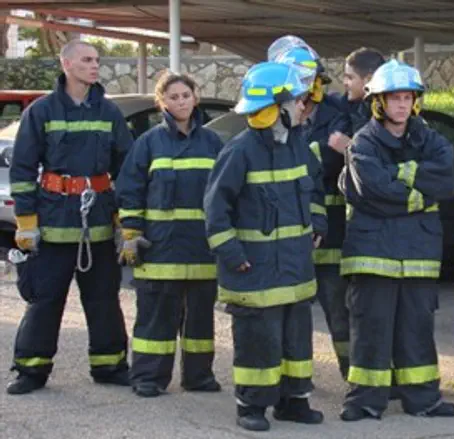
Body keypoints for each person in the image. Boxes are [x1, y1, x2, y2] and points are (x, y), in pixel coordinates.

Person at [204, 61, 327, 432]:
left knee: (295, 340)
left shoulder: (298, 146)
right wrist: (232, 255)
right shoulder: (239, 152)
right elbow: (214, 210)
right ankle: (251, 406)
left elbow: (316, 189)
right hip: (253, 269)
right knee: (259, 341)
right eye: (296, 102)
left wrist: (318, 222)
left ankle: (294, 401)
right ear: (278, 108)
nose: (302, 108)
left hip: (294, 267)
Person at [7, 40, 133, 395]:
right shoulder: (42, 111)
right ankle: (31, 370)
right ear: (66, 64)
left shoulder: (108, 113)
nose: (95, 66)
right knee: (45, 300)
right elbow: (22, 169)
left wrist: (126, 220)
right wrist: (26, 222)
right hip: (53, 223)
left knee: (104, 299)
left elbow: (128, 168)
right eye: (87, 60)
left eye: (97, 60)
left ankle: (110, 365)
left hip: (98, 224)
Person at [338, 59, 454, 422]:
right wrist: (418, 190)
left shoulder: (433, 140)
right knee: (371, 328)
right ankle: (364, 401)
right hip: (372, 253)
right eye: (394, 98)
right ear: (378, 102)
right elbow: (373, 190)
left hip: (419, 252)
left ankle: (423, 400)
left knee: (417, 328)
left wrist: (398, 180)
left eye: (407, 97)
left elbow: (445, 183)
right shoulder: (363, 143)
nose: (402, 105)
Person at [115, 71, 223, 397]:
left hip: (203, 250)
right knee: (155, 320)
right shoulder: (148, 143)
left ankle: (199, 376)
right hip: (159, 248)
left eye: (185, 96)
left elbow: (226, 193)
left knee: (201, 322)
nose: (180, 102)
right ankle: (148, 378)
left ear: (196, 98)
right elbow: (130, 189)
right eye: (173, 97)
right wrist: (131, 232)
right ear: (161, 102)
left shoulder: (213, 142)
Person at [270, 36, 353, 379]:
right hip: (286, 229)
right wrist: (320, 151)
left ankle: (352, 374)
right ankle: (291, 380)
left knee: (339, 309)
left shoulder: (338, 112)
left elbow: (332, 165)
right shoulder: (271, 113)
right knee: (288, 310)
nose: (306, 87)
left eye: (310, 79)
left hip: (332, 231)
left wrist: (307, 155)